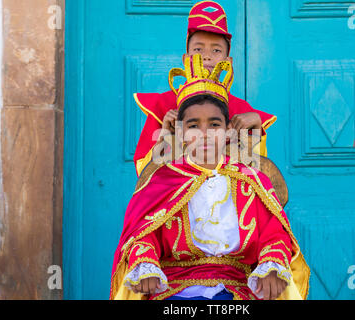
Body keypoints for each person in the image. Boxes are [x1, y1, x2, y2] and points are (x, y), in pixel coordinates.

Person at [110, 55, 310, 300]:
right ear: (181, 133)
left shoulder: (250, 179)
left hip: (240, 285)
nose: (204, 134)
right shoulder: (163, 180)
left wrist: (272, 265)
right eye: (194, 126)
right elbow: (144, 233)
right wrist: (145, 264)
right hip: (175, 288)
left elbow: (273, 232)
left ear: (227, 131)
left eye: (214, 125)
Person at [133, 0, 277, 176]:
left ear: (228, 61)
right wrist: (165, 134)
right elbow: (143, 172)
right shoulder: (164, 106)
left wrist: (255, 128)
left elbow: (258, 174)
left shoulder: (241, 111)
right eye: (198, 49)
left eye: (216, 50)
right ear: (186, 58)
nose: (207, 57)